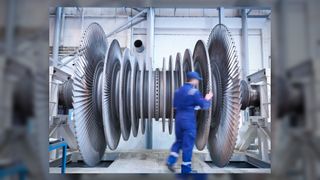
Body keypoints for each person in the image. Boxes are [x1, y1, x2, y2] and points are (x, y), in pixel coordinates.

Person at [166, 71, 213, 174]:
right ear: (194, 80)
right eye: (197, 80)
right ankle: (186, 171)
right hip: (188, 122)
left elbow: (175, 106)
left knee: (178, 141)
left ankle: (170, 160)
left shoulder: (178, 91)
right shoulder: (194, 92)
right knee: (188, 145)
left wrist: (189, 105)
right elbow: (204, 105)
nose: (197, 82)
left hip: (178, 120)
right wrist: (207, 98)